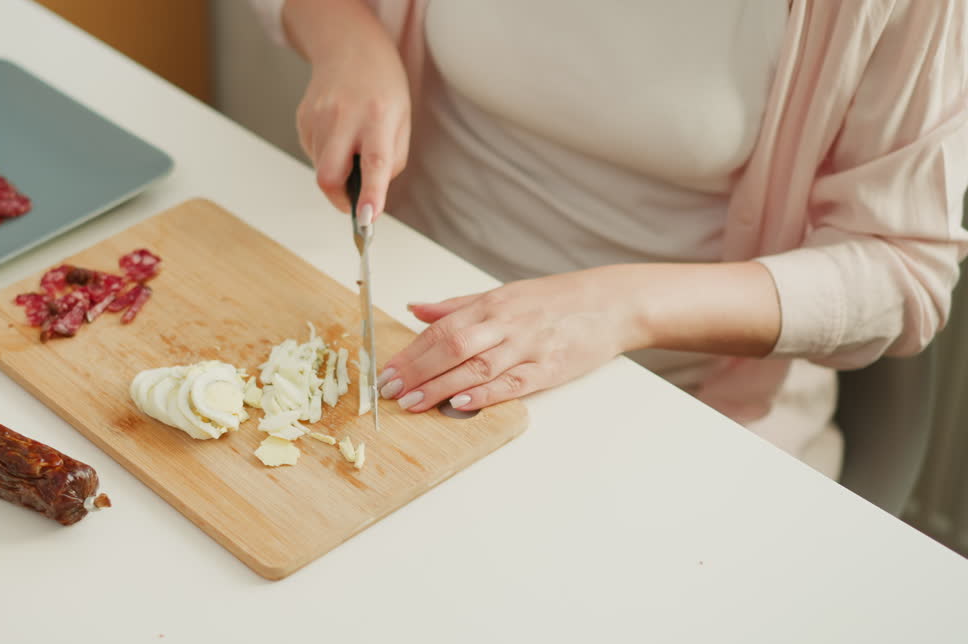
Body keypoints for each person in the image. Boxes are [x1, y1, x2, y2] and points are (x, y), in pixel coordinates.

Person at [251, 0, 968, 479]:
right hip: (400, 327)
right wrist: (348, 36)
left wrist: (619, 307)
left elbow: (900, 270)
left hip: (676, 411)